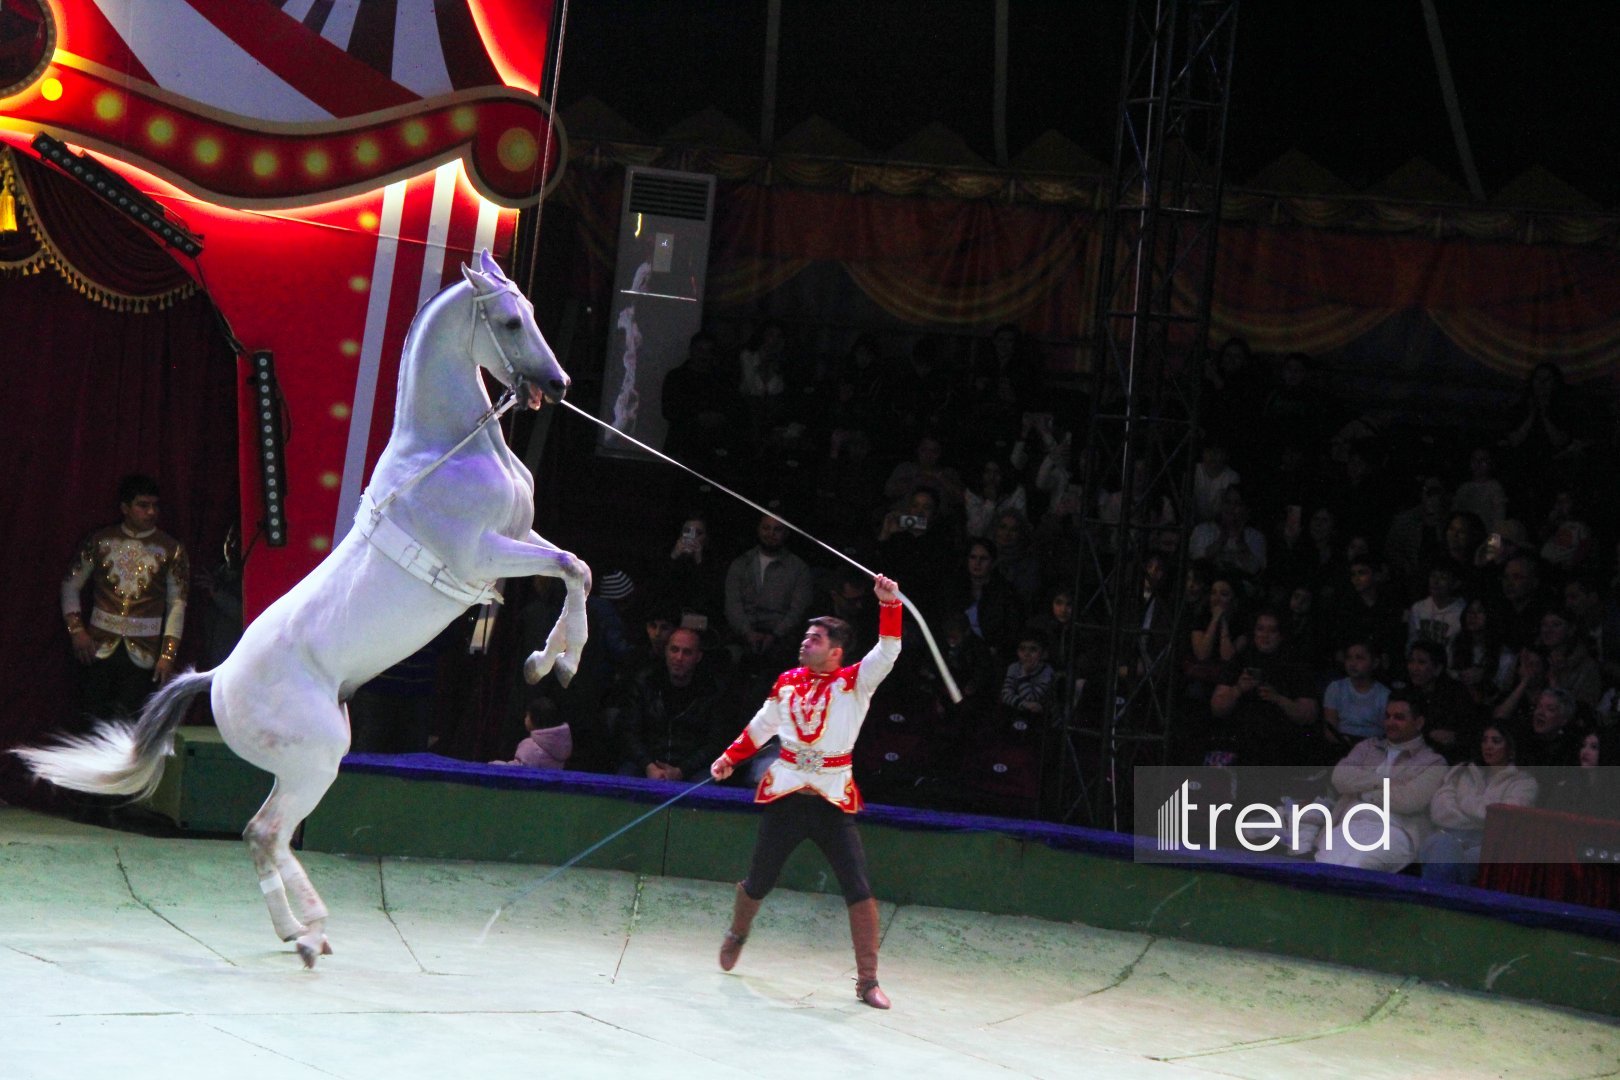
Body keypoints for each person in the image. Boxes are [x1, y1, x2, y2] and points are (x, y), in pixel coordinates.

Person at [709, 574, 903, 1009]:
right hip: (788, 795)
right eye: (806, 637)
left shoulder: (856, 683)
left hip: (832, 801)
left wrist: (889, 603)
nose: (806, 643)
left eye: (815, 639)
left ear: (836, 651)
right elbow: (762, 726)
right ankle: (738, 932)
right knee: (758, 881)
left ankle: (868, 981)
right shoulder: (787, 681)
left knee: (858, 886)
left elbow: (889, 649)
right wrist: (729, 758)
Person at [62, 474, 190, 724]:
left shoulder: (171, 550)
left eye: (155, 505)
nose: (151, 512)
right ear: (125, 508)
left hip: (144, 653)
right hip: (97, 648)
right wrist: (76, 631)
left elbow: (177, 603)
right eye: (143, 505)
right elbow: (70, 585)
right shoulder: (100, 541)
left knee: (129, 725)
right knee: (91, 721)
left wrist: (167, 655)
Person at [1313, 695, 1447, 873]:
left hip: (1396, 828)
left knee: (1359, 866)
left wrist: (1363, 792)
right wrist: (1387, 782)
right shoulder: (1368, 747)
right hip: (1350, 821)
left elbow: (1408, 801)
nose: (1390, 722)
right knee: (1325, 864)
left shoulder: (1434, 762)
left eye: (1399, 717)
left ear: (1419, 722)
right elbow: (1339, 777)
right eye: (1388, 716)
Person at [1419, 723, 1538, 885]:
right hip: (1448, 835)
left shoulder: (1524, 783)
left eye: (1496, 741)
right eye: (1485, 741)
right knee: (1443, 847)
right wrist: (1479, 816)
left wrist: (1463, 802)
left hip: (1488, 844)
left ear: (1510, 748)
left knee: (1457, 863)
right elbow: (1439, 812)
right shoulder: (1460, 771)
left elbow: (1504, 818)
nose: (1488, 746)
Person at [615, 627, 730, 782]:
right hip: (646, 764)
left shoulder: (712, 690)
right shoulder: (645, 683)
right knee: (624, 779)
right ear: (666, 652)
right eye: (674, 650)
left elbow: (716, 742)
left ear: (698, 657)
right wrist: (649, 766)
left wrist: (682, 770)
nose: (679, 657)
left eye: (687, 652)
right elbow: (628, 732)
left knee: (707, 784)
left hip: (691, 769)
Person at [723, 513, 814, 668]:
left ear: (786, 533)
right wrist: (747, 633)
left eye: (777, 529)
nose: (770, 534)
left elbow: (798, 610)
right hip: (742, 635)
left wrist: (775, 634)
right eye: (766, 528)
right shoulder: (741, 563)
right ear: (758, 529)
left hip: (781, 639)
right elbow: (732, 603)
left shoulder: (799, 568)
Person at [492, 696, 572, 769]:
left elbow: (517, 771)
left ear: (535, 719)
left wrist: (495, 765)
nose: (525, 718)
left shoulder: (530, 747)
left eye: (527, 715)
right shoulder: (560, 746)